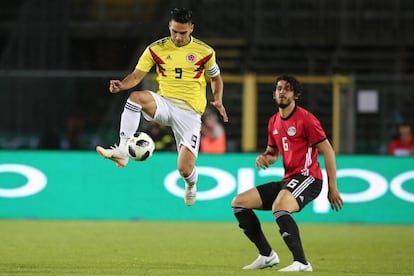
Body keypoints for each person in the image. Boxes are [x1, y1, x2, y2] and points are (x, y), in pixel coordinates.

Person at [96, 8, 228, 206]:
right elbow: (137, 75)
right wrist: (122, 84)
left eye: (182, 32)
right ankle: (123, 151)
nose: (178, 37)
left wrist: (217, 99)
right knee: (135, 98)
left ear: (191, 28)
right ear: (169, 27)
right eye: (174, 31)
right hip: (164, 104)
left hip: (190, 114)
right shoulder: (155, 49)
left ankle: (191, 185)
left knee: (184, 169)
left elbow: (216, 78)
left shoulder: (206, 52)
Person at [231, 75, 343, 272]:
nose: (282, 92)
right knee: (239, 203)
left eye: (287, 89)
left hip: (309, 178)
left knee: (279, 206)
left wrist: (332, 187)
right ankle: (267, 255)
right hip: (289, 179)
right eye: (279, 88)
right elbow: (273, 153)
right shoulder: (274, 121)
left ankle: (302, 263)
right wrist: (265, 158)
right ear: (274, 94)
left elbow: (328, 151)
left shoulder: (306, 119)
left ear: (296, 95)